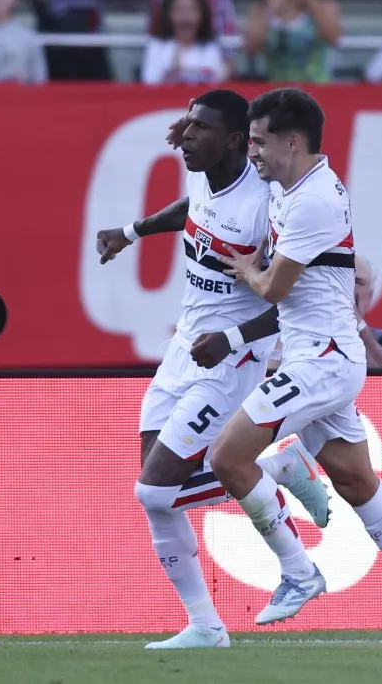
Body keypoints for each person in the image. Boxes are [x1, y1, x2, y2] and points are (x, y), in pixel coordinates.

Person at [191, 88, 382, 648]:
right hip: (319, 355)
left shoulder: (311, 202)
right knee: (357, 480)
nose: (253, 152)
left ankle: (298, 571)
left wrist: (247, 267)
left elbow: (274, 287)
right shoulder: (295, 187)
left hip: (323, 361)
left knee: (226, 457)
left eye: (260, 141)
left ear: (293, 141)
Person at [94, 89, 328, 651]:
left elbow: (288, 301)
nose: (186, 136)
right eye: (188, 124)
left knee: (153, 493)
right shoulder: (204, 176)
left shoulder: (265, 204)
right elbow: (193, 214)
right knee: (160, 488)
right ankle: (206, 623)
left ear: (234, 141)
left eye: (200, 128)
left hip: (231, 360)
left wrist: (229, 340)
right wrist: (131, 232)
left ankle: (298, 567)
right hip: (185, 350)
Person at [244, 0, 342, 84]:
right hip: (277, 88)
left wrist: (312, 4)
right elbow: (251, 47)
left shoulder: (325, 5)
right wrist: (270, 10)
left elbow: (333, 38)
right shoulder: (261, 8)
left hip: (316, 86)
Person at [141, 0, 228, 86]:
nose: (186, 15)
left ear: (201, 14)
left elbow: (216, 83)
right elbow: (149, 83)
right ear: (169, 14)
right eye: (179, 9)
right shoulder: (156, 47)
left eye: (192, 9)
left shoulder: (210, 48)